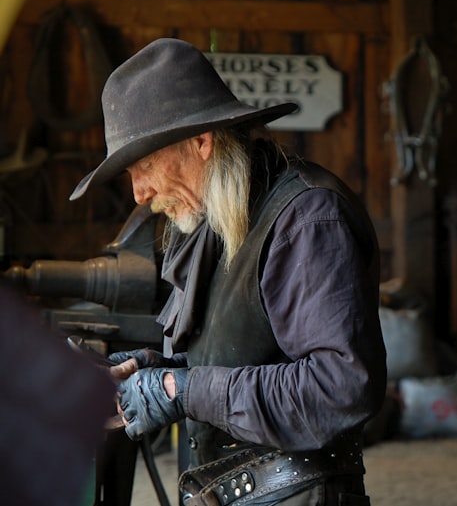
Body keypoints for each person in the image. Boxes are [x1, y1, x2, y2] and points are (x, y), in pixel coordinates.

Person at [70, 37, 387, 506]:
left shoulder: (306, 219)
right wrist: (153, 370)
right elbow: (243, 353)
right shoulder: (214, 219)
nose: (138, 194)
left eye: (145, 166)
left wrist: (180, 389)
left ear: (200, 141)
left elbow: (339, 388)